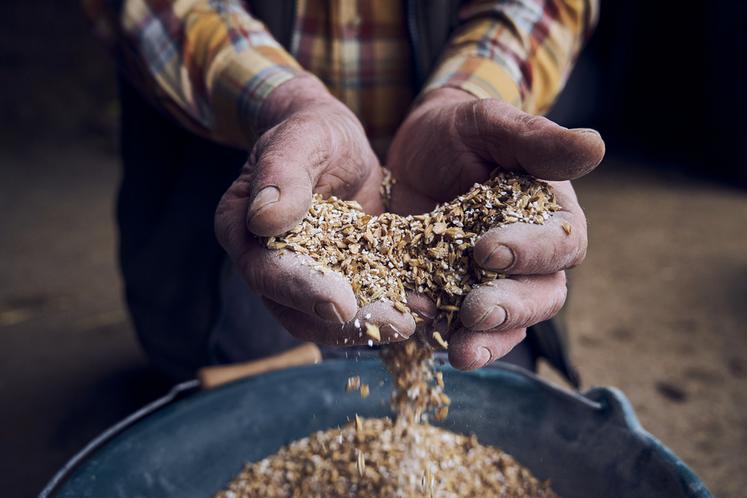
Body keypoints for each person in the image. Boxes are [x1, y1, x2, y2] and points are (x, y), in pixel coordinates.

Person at [84, 0, 605, 381]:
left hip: (461, 177)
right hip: (236, 158)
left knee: (483, 354)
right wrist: (287, 104)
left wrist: (471, 94)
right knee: (234, 367)